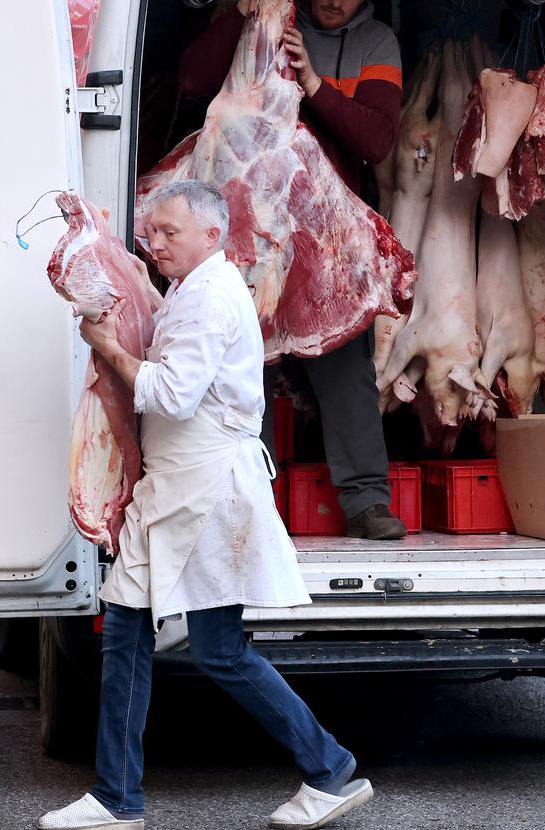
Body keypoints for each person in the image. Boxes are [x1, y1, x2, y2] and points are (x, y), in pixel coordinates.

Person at [36, 181, 373, 830]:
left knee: (148, 630)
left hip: (198, 484)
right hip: (198, 481)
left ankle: (119, 796)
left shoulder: (207, 299)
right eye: (151, 232)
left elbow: (171, 393)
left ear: (211, 235)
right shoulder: (204, 289)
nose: (154, 242)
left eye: (169, 232)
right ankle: (325, 769)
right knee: (204, 645)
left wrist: (107, 348)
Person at [178, 0, 408, 540]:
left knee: (344, 365)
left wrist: (314, 82)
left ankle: (366, 501)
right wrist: (241, 14)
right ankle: (247, 504)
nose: (334, 1)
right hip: (245, 220)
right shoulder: (263, 17)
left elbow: (376, 140)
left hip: (326, 228)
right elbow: (192, 80)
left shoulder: (376, 44)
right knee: (243, 362)